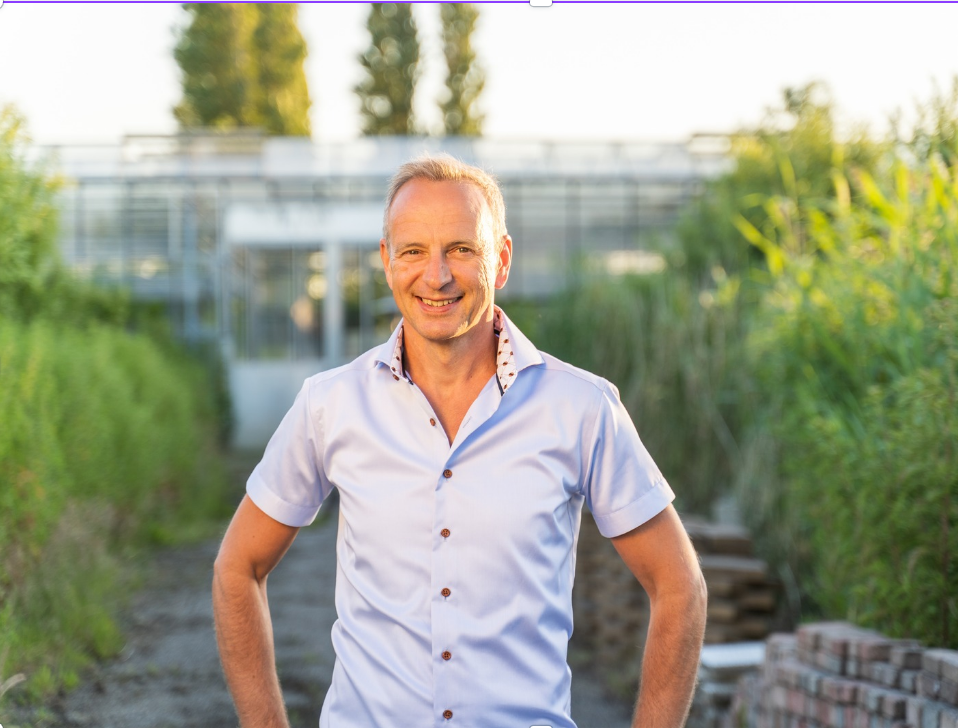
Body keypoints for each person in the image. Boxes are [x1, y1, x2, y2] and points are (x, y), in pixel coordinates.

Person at [213, 154, 707, 728]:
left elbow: (679, 586)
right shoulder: (330, 405)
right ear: (386, 261)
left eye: (461, 249)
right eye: (413, 251)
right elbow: (237, 568)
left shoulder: (581, 409)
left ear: (501, 260)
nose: (436, 276)